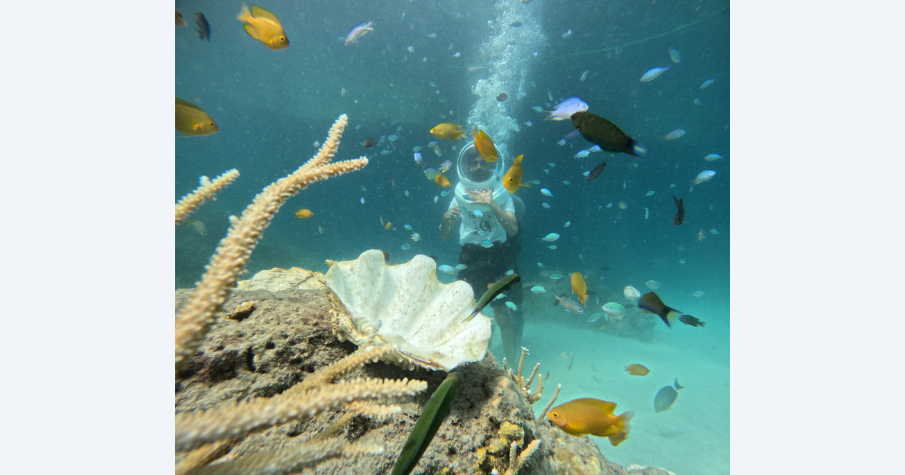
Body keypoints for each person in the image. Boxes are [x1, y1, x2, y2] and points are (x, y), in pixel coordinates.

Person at [440, 141, 525, 364]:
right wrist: (446, 221)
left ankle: (512, 365)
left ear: (492, 166)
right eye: (473, 163)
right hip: (469, 255)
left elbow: (513, 228)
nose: (478, 167)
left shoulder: (503, 194)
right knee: (464, 310)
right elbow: (444, 236)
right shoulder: (460, 194)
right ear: (466, 166)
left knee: (504, 314)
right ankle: (466, 358)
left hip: (497, 255)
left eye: (483, 162)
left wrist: (492, 203)